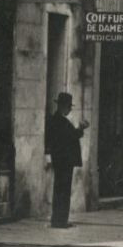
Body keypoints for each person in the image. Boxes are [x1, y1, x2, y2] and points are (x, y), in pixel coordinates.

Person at [45, 91, 88, 228]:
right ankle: (59, 220)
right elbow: (69, 138)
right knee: (62, 191)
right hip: (63, 161)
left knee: (62, 190)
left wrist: (80, 129)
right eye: (68, 106)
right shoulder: (58, 121)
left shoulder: (61, 120)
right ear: (62, 106)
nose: (69, 109)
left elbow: (71, 136)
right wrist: (80, 129)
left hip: (63, 161)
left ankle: (60, 219)